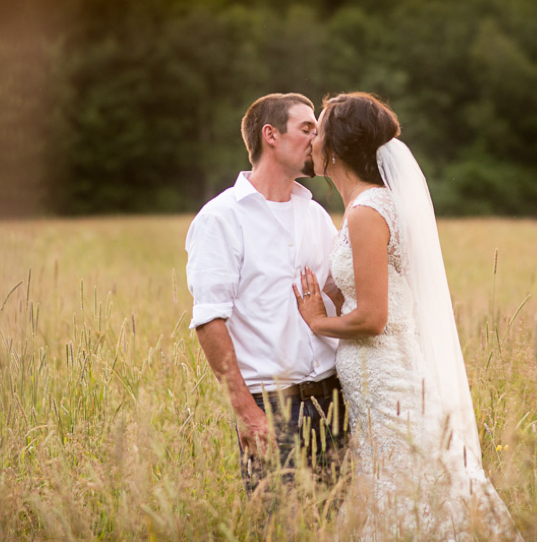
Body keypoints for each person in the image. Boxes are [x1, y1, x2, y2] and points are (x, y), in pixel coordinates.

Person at [293, 92, 518, 541]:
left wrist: (318, 322)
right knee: (401, 486)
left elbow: (374, 317)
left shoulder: (367, 212)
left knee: (410, 488)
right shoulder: (363, 208)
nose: (312, 140)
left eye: (318, 130)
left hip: (387, 379)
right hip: (377, 380)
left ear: (335, 148)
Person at [185, 92, 350, 497]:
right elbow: (209, 319)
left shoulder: (314, 213)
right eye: (307, 128)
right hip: (272, 407)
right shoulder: (221, 218)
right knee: (280, 529)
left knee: (339, 527)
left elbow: (341, 292)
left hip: (334, 398)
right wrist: (247, 412)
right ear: (270, 135)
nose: (316, 139)